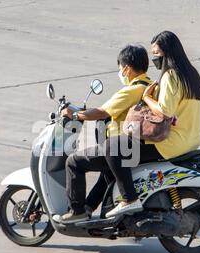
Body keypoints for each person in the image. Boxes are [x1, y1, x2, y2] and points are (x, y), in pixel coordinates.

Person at [105, 31, 200, 218]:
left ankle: (129, 199)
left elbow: (164, 111)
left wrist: (146, 98)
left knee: (113, 148)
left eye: (157, 53)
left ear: (167, 52)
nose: (154, 58)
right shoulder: (191, 74)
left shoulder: (171, 76)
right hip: (192, 140)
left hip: (170, 142)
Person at [53, 44, 156, 224]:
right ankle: (88, 207)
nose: (121, 73)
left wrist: (75, 114)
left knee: (74, 162)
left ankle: (76, 211)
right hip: (134, 144)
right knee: (106, 173)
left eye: (120, 68)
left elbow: (102, 111)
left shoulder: (133, 90)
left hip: (124, 146)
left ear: (126, 68)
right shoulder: (149, 84)